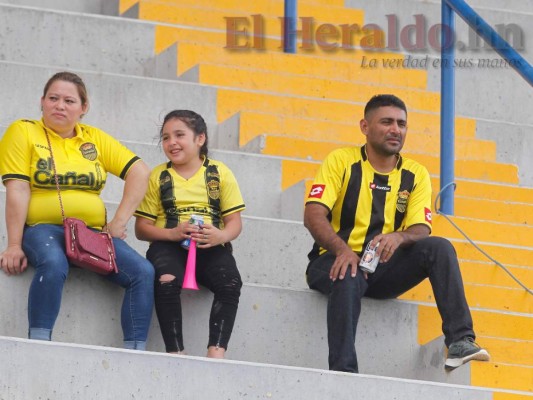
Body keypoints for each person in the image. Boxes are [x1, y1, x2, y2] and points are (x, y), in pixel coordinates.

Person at [304, 94, 490, 373]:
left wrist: (399, 237)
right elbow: (313, 214)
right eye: (387, 122)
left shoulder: (415, 174)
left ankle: (461, 340)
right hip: (331, 261)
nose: (396, 130)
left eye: (402, 124)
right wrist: (342, 250)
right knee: (348, 270)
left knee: (439, 247)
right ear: (365, 127)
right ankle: (343, 373)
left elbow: (421, 228)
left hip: (381, 268)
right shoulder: (341, 161)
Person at [0, 71, 154, 350]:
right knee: (54, 262)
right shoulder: (22, 131)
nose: (60, 105)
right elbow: (18, 189)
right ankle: (39, 344)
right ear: (42, 102)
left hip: (90, 233)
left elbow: (140, 172)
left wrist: (119, 222)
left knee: (143, 271)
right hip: (42, 229)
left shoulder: (94, 138)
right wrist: (13, 244)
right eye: (53, 98)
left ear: (83, 108)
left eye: (69, 100)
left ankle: (136, 352)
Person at [134, 110, 245, 359]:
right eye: (165, 137)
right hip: (167, 245)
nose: (171, 142)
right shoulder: (158, 176)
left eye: (179, 135)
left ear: (200, 139)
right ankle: (175, 352)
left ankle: (216, 353)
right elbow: (141, 229)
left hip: (211, 245)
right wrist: (173, 233)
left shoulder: (220, 173)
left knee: (231, 283)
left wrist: (220, 236)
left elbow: (235, 224)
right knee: (166, 280)